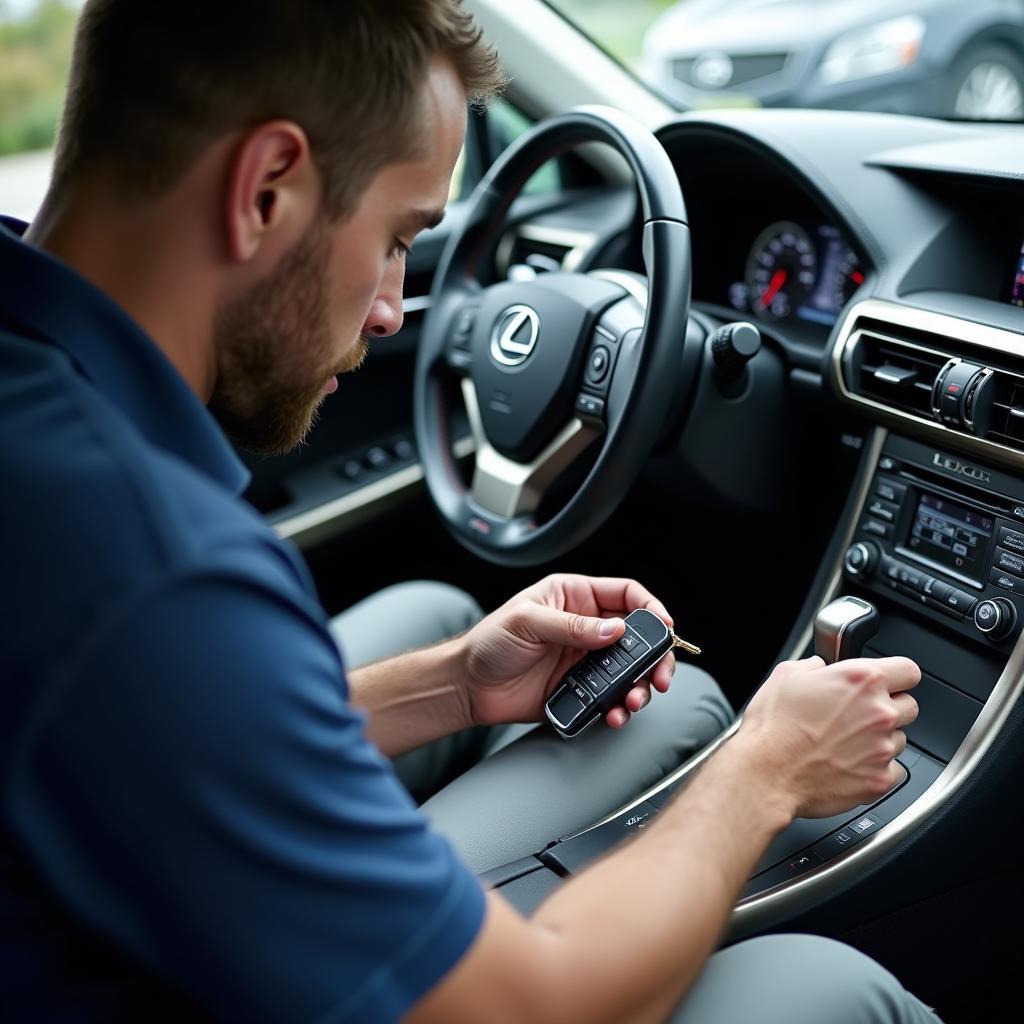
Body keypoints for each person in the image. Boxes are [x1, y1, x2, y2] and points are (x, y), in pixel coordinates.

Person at [0, 1, 938, 1021]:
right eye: (399, 236)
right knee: (825, 986)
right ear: (265, 189)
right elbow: (529, 1008)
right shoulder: (152, 569)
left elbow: (154, 730)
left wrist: (453, 686)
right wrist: (768, 770)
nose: (394, 308)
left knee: (450, 622)